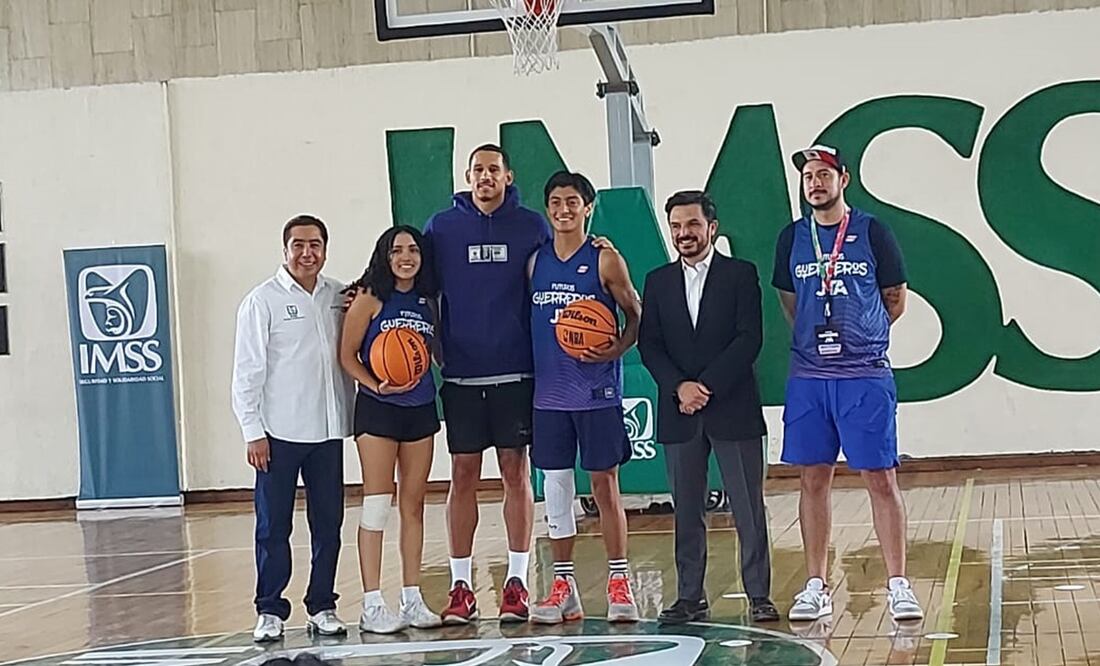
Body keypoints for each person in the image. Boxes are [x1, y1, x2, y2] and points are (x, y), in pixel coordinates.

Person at [772, 144, 923, 622]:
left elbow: (894, 300)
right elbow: (790, 302)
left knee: (880, 478)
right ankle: (816, 583)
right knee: (813, 479)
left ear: (844, 179)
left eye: (823, 174)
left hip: (864, 376)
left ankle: (898, 583)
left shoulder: (872, 231)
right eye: (808, 176)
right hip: (809, 378)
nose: (814, 182)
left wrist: (862, 337)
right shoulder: (791, 238)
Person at [637, 191, 779, 624]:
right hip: (679, 411)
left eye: (692, 225)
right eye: (677, 226)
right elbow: (650, 344)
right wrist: (680, 386)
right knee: (686, 509)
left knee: (747, 507)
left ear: (711, 228)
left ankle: (758, 595)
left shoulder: (740, 275)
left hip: (732, 406)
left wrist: (707, 386)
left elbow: (748, 339)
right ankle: (690, 596)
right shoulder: (657, 281)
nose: (684, 233)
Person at [423, 144, 550, 624]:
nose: (485, 177)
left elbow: (557, 271)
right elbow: (423, 290)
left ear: (508, 176)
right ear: (468, 176)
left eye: (493, 170)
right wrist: (438, 348)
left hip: (516, 371)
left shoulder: (531, 225)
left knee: (516, 474)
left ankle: (516, 581)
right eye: (477, 170)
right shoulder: (442, 227)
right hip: (461, 375)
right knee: (462, 475)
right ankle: (461, 586)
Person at [527, 171, 642, 625]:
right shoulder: (535, 263)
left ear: (588, 207)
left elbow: (635, 314)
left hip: (596, 392)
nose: (563, 209)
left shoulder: (606, 260)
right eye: (555, 202)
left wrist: (617, 346)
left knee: (603, 485)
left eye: (572, 201)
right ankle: (563, 586)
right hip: (549, 394)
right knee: (556, 489)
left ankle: (618, 581)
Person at [231, 215, 353, 642]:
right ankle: (270, 609)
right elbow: (247, 372)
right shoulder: (261, 301)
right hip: (277, 435)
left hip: (327, 432)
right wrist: (252, 430)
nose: (307, 253)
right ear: (285, 250)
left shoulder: (339, 296)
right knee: (272, 526)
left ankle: (322, 604)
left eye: (315, 244)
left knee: (328, 525)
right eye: (298, 245)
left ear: (325, 249)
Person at [339, 225, 443, 634]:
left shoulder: (428, 300)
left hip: (420, 409)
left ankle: (412, 598)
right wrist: (374, 383)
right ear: (384, 255)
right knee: (377, 505)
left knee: (414, 505)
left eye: (413, 250)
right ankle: (371, 603)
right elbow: (346, 356)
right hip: (378, 411)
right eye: (397, 249)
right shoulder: (367, 297)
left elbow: (434, 353)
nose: (406, 256)